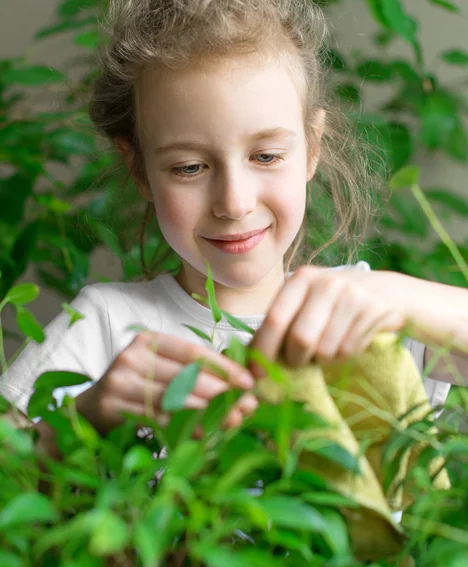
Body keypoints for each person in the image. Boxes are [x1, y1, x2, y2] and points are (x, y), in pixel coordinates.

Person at [1, 0, 467, 457]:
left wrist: (397, 299)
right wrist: (82, 419)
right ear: (140, 170)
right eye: (189, 167)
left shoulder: (364, 314)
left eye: (266, 156)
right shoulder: (103, 326)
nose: (234, 203)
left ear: (312, 148)